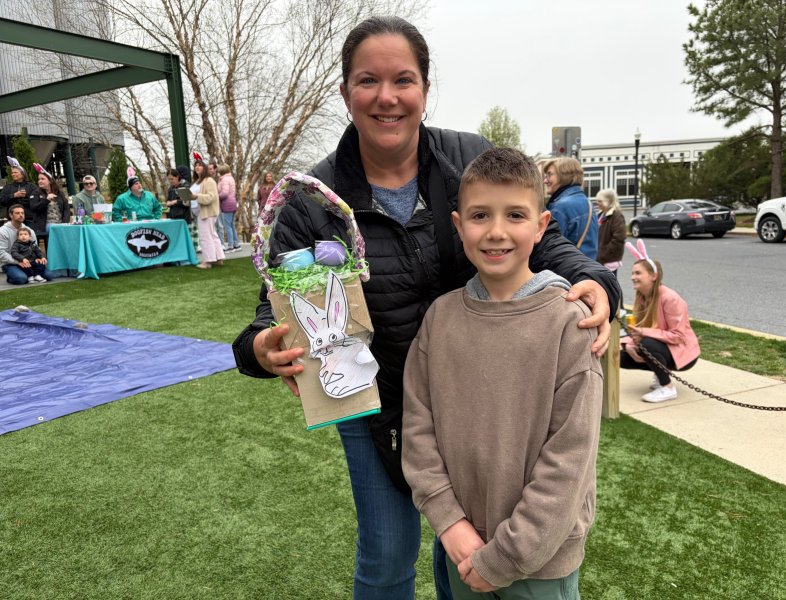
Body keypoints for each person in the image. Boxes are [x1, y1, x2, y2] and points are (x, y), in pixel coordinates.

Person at [232, 16, 620, 600]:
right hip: (377, 404)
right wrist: (264, 349)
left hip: (474, 399)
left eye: (403, 80)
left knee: (465, 544)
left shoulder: (468, 158)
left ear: (425, 89)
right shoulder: (313, 198)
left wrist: (596, 282)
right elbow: (273, 309)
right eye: (368, 81)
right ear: (345, 92)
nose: (386, 97)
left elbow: (539, 238)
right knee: (387, 556)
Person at [403, 147, 602, 599]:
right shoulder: (440, 319)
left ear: (541, 225)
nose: (496, 232)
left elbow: (569, 460)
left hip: (541, 562)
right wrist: (450, 524)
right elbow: (418, 427)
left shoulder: (570, 324)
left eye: (515, 215)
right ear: (458, 226)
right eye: (480, 216)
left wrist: (506, 557)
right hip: (463, 547)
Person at [620, 240, 700, 403]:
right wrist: (628, 343)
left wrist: (643, 333)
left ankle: (667, 388)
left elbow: (678, 336)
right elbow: (640, 328)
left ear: (653, 276)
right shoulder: (642, 297)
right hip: (661, 346)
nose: (632, 277)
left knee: (647, 344)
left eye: (638, 273)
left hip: (683, 354)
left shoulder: (670, 298)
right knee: (620, 355)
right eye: (632, 273)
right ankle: (659, 373)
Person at [542, 157, 599, 260]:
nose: (545, 181)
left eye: (549, 175)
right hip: (586, 268)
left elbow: (549, 250)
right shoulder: (586, 202)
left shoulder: (560, 207)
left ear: (564, 175)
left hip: (566, 272)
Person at [0, 204, 55, 285]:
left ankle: (30, 275)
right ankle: (15, 276)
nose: (21, 215)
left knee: (49, 276)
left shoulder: (29, 231)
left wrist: (39, 258)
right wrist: (18, 262)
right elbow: (1, 253)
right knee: (21, 279)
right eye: (17, 213)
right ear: (10, 215)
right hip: (11, 263)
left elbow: (35, 248)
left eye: (22, 213)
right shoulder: (2, 231)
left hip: (31, 262)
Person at [192, 157, 225, 269]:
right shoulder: (197, 181)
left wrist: (196, 196)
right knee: (212, 235)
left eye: (199, 165)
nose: (197, 167)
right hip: (200, 212)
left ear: (204, 168)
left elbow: (211, 197)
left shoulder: (209, 180)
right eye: (195, 165)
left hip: (207, 212)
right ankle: (219, 258)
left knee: (206, 237)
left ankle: (208, 261)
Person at [29, 165, 70, 249]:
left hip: (60, 223)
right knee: (53, 228)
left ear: (50, 181)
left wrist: (65, 223)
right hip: (45, 225)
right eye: (39, 179)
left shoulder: (59, 193)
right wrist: (46, 200)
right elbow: (33, 208)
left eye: (42, 179)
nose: (39, 181)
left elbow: (66, 209)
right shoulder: (35, 193)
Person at [595, 188, 626, 276]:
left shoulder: (617, 216)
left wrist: (604, 253)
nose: (597, 204)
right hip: (600, 260)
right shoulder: (601, 214)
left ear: (608, 201)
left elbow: (619, 238)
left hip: (609, 261)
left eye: (600, 201)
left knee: (609, 286)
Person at [1, 156, 37, 224]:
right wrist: (14, 195)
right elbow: (2, 200)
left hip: (29, 219)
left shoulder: (31, 186)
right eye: (12, 173)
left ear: (23, 174)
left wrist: (26, 197)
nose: (13, 174)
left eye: (15, 172)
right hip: (12, 220)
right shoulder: (8, 187)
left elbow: (35, 201)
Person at [217, 164, 241, 251]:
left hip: (227, 204)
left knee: (228, 226)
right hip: (233, 203)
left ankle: (231, 245)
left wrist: (217, 196)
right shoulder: (231, 178)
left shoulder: (224, 180)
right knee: (231, 225)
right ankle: (236, 243)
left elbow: (225, 193)